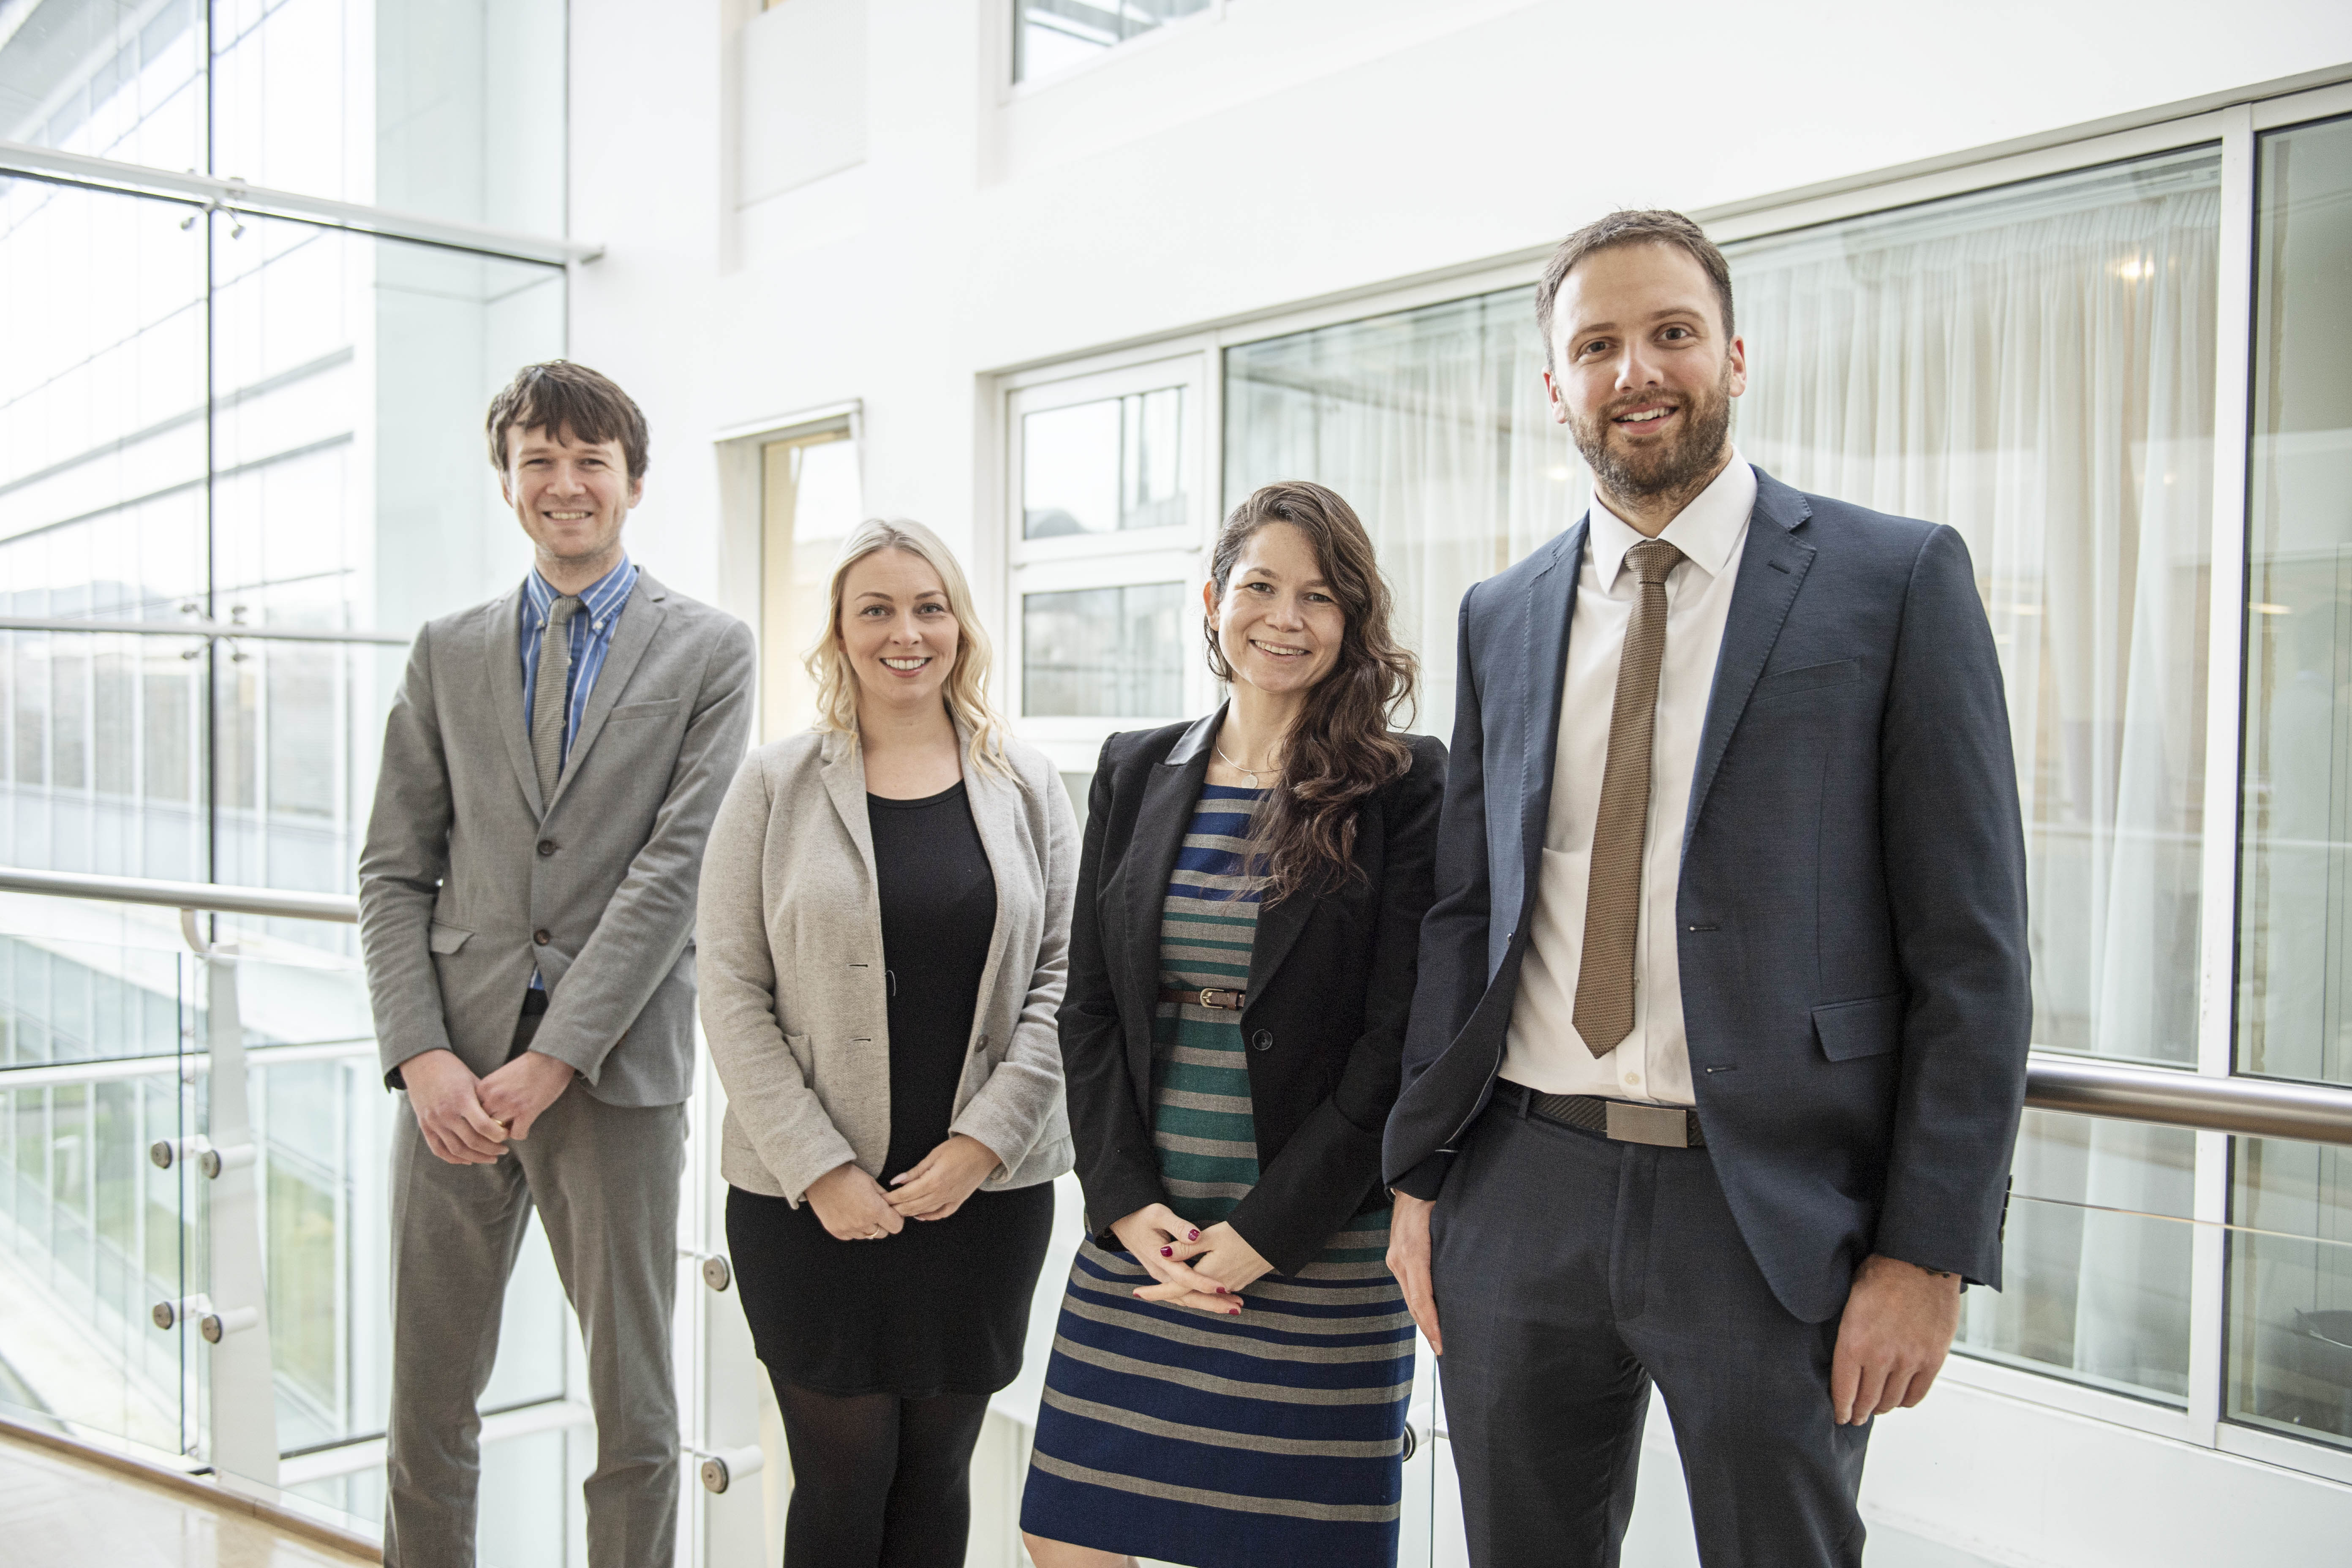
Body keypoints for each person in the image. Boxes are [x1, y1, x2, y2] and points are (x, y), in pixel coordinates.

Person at [1382, 210, 2032, 1567]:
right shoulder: (1501, 614)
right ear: (1553, 385)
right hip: (1521, 1186)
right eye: (1598, 345)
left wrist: (1928, 1254)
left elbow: (1972, 957)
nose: (1638, 372)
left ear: (1732, 354)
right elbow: (1466, 916)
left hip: (1772, 1218)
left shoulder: (1896, 579)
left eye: (1671, 333)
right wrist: (1423, 1183)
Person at [358, 361, 756, 1567]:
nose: (565, 484)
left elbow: (675, 874)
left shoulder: (710, 650)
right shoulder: (446, 650)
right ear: (509, 483)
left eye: (591, 461)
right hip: (449, 1080)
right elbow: (392, 872)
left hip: (614, 1077)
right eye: (540, 460)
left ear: (634, 483)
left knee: (633, 1410)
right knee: (428, 1408)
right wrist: (422, 1056)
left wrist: (554, 1058)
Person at [1021, 481, 1446, 1568]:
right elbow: (1093, 1008)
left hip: (1318, 1244)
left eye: (1319, 596)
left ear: (1352, 622)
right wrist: (1121, 1202)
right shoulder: (1133, 765)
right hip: (1148, 1228)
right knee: (1064, 1535)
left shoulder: (1403, 783)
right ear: (1212, 599)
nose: (1285, 617)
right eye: (1260, 585)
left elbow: (1398, 1043)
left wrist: (1265, 1235)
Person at [696, 517, 1075, 1568]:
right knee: (841, 1478)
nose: (906, 632)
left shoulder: (1029, 784)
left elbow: (1064, 979)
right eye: (877, 608)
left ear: (960, 624)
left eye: (929, 606)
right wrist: (820, 1169)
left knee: (938, 1474)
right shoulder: (773, 783)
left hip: (982, 1203)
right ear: (839, 631)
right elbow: (729, 985)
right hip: (806, 1203)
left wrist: (986, 1143)